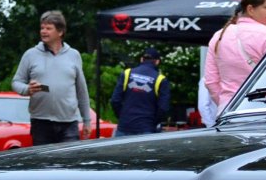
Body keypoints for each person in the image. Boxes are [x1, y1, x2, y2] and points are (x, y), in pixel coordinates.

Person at [12, 10, 92, 145]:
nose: (43, 31)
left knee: (68, 163)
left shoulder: (74, 55)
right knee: (43, 164)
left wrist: (87, 121)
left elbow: (81, 90)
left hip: (69, 123)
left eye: (48, 28)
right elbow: (16, 82)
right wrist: (27, 89)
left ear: (60, 32)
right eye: (42, 28)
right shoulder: (30, 54)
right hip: (41, 122)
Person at [203, 0, 266, 110]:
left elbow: (210, 82)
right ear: (250, 9)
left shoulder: (219, 35)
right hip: (261, 108)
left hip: (227, 110)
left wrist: (224, 103)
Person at [109, 46, 171, 135]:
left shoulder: (127, 73)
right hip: (146, 128)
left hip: (124, 127)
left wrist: (122, 117)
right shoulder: (160, 79)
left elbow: (115, 100)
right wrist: (153, 123)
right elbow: (163, 108)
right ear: (157, 62)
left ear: (142, 59)